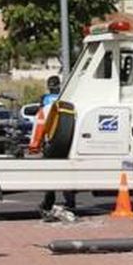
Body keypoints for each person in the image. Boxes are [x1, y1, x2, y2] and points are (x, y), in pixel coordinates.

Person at [36, 75, 77, 222]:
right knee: (65, 171)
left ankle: (49, 202)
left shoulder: (45, 99)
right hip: (64, 139)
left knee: (50, 173)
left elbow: (40, 120)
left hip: (50, 138)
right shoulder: (64, 97)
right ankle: (70, 201)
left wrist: (37, 143)